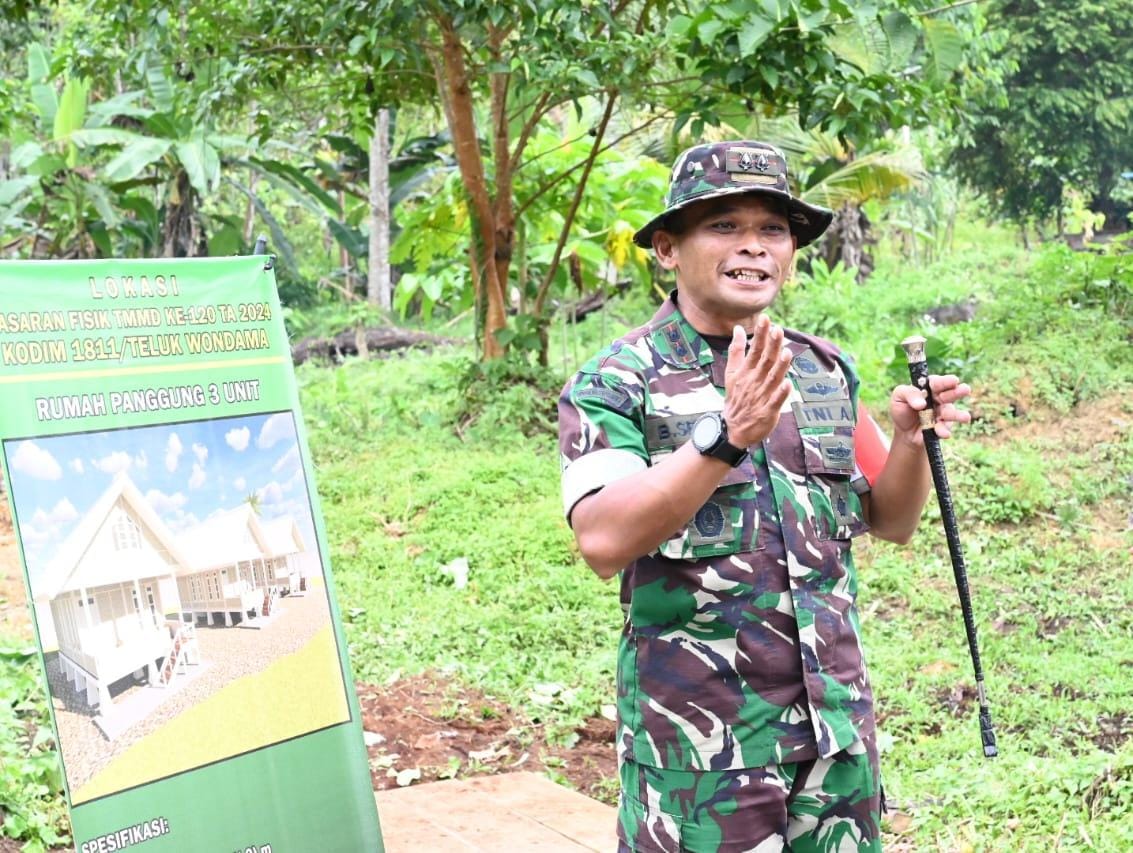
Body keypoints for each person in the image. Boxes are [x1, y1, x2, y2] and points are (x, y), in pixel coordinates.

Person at [556, 140, 971, 852]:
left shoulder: (819, 370)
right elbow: (600, 538)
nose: (753, 248)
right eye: (723, 226)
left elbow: (890, 519)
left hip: (833, 737)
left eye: (771, 230)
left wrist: (908, 439)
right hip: (702, 750)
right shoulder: (619, 379)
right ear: (666, 248)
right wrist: (725, 438)